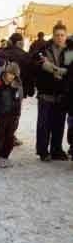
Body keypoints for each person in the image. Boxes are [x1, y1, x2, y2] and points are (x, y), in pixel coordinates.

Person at [34, 22, 70, 161]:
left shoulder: (69, 51)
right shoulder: (44, 48)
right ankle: (43, 151)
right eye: (57, 35)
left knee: (59, 124)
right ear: (53, 36)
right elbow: (39, 64)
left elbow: (70, 69)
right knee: (44, 124)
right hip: (46, 92)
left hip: (62, 93)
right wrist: (55, 70)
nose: (60, 38)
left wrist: (54, 69)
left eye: (62, 35)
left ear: (65, 36)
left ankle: (56, 150)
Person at [0, 62, 23, 168]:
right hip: (0, 116)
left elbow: (19, 101)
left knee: (10, 137)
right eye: (9, 73)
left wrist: (18, 115)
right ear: (5, 72)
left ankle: (5, 156)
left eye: (14, 74)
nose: (11, 76)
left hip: (12, 116)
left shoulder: (17, 86)